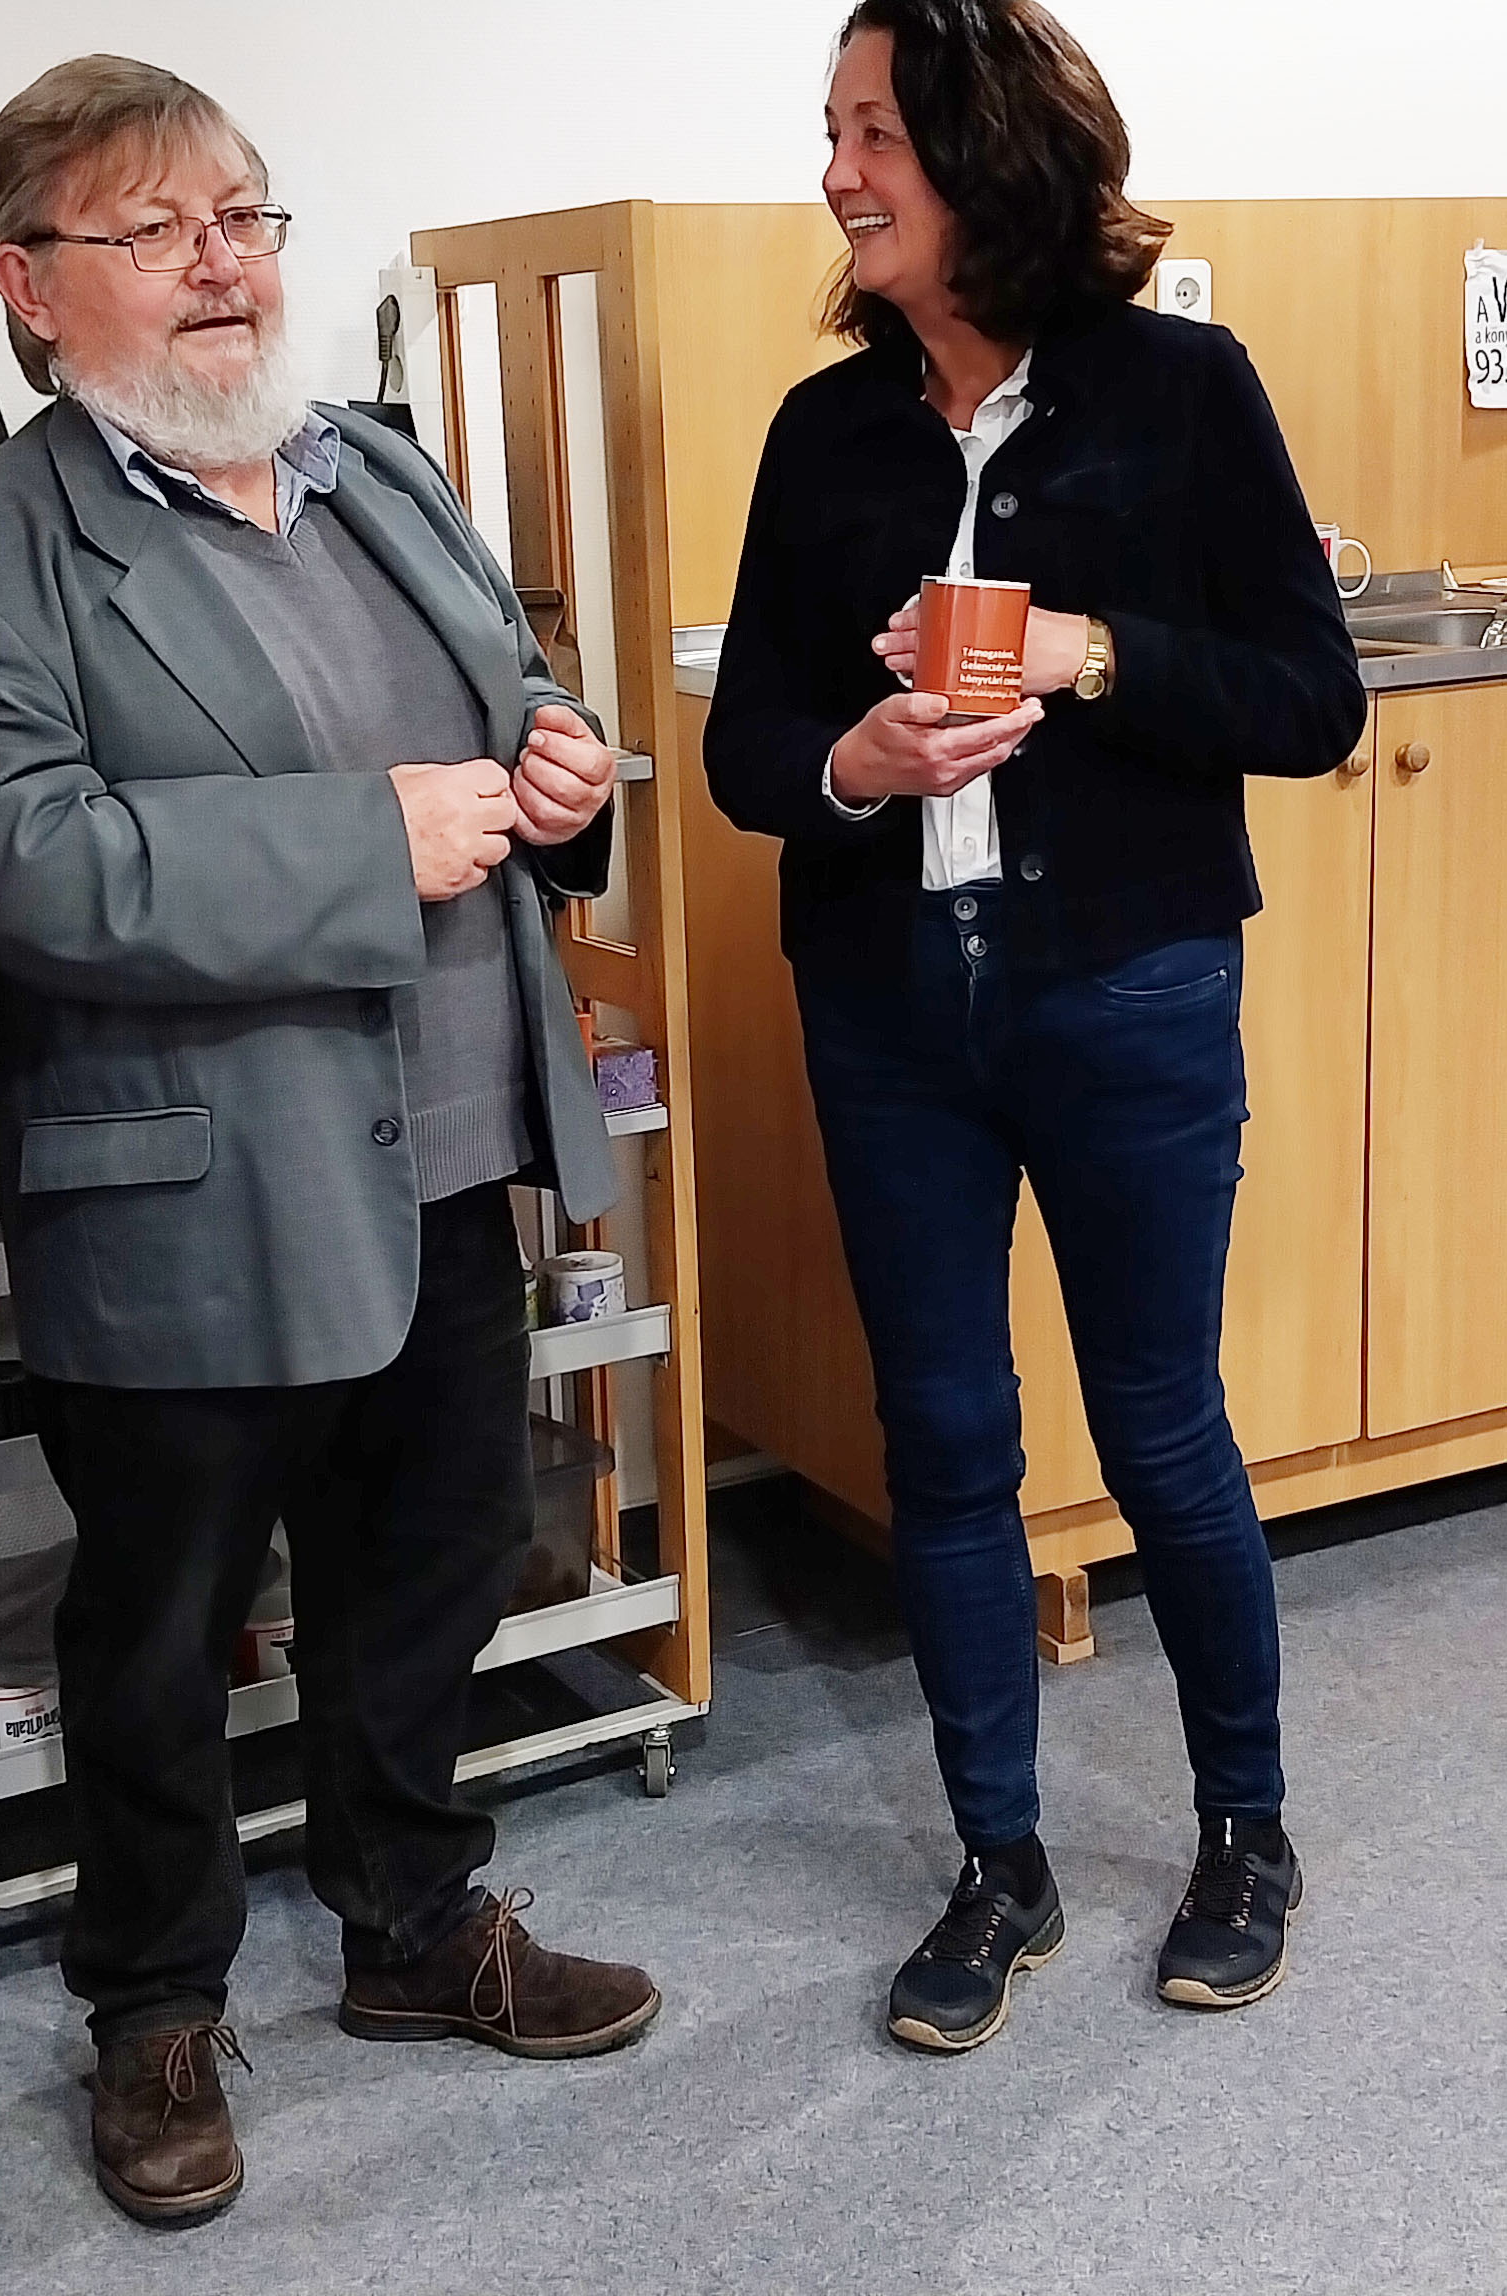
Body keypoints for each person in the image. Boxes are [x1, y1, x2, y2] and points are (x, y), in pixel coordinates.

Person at [0, 53, 662, 2230]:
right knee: (164, 1627)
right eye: (152, 231)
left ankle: (412, 1921)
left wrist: (550, 765)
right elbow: (32, 867)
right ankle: (152, 2002)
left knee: (428, 1567)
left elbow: (499, 701)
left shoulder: (375, 465)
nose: (220, 265)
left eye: (242, 216)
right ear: (28, 285)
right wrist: (368, 838)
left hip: (449, 1144)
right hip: (191, 1194)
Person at [704, 0, 1364, 2055]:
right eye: (831, 129)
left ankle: (1245, 1830)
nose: (836, 171)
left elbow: (1309, 700)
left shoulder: (1180, 390)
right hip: (889, 1002)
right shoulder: (823, 431)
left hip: (1128, 983)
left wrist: (1087, 653)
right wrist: (858, 761)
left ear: (986, 149)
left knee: (1159, 1423)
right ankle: (1001, 1859)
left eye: (874, 131)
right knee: (944, 1435)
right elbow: (743, 746)